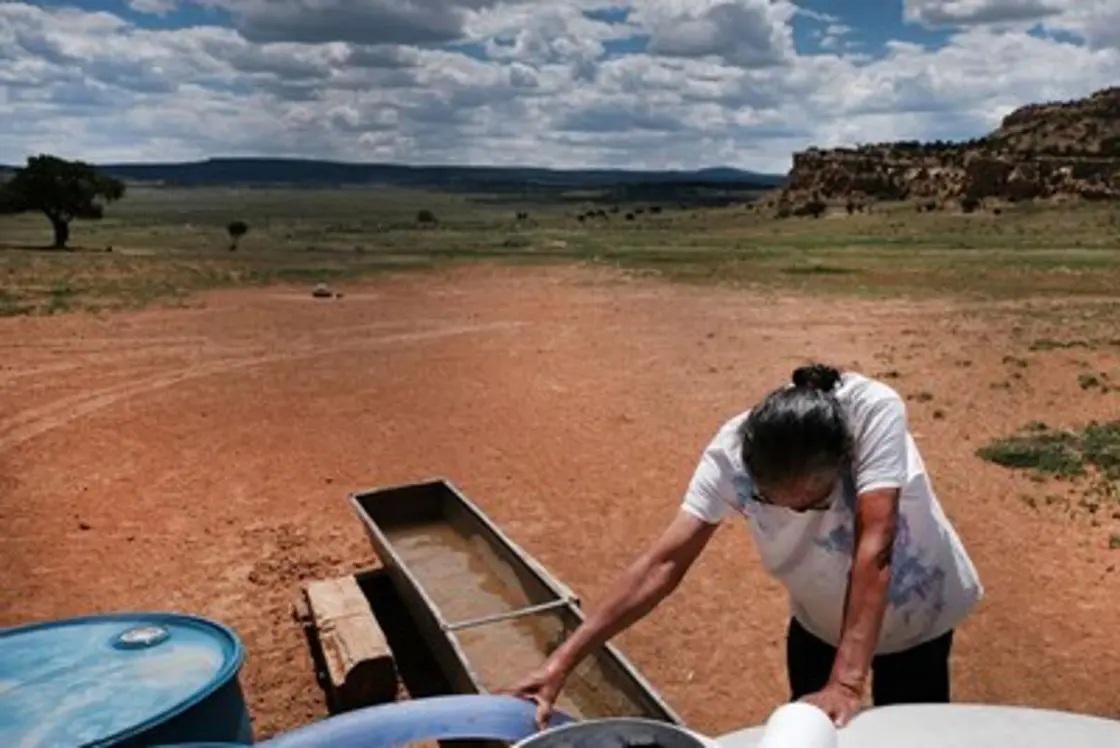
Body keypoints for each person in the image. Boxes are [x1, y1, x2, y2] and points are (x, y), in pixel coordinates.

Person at [510, 363, 983, 729]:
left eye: (810, 506)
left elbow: (875, 543)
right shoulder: (730, 456)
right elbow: (664, 562)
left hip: (917, 622)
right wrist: (560, 664)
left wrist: (844, 683)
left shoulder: (872, 413)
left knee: (912, 734)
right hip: (818, 625)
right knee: (812, 730)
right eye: (770, 502)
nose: (794, 516)